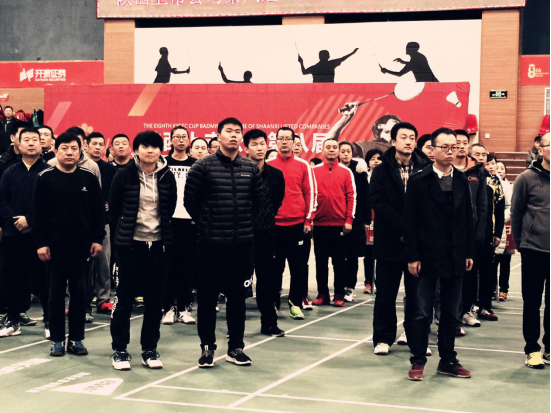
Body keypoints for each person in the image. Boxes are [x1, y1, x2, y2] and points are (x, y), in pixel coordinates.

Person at [184, 117, 263, 368]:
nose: (234, 135)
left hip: (242, 246)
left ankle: (236, 348)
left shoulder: (250, 168)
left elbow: (259, 204)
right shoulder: (202, 167)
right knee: (207, 299)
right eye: (228, 131)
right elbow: (190, 202)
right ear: (218, 136)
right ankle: (207, 348)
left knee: (238, 299)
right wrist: (208, 225)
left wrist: (245, 228)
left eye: (238, 131)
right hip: (210, 245)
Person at [404, 128, 474, 381]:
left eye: (454, 147)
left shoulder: (462, 179)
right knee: (422, 312)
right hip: (426, 256)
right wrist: (413, 256)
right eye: (445, 147)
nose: (451, 151)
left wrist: (468, 251)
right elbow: (410, 222)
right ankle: (418, 360)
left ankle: (448, 360)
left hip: (455, 256)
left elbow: (468, 218)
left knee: (450, 314)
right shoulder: (419, 180)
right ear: (432, 150)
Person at [31, 132, 105, 357]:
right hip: (53, 248)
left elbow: (98, 212)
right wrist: (41, 243)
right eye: (65, 148)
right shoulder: (44, 177)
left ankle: (76, 339)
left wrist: (97, 238)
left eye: (74, 148)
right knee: (54, 294)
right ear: (56, 150)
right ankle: (56, 340)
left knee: (79, 293)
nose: (69, 152)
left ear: (80, 151)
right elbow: (37, 214)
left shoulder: (88, 178)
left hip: (82, 248)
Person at [109, 131, 177, 371]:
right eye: (145, 146)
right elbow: (114, 209)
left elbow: (169, 209)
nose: (150, 151)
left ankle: (149, 349)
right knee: (124, 300)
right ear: (136, 150)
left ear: (160, 150)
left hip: (158, 246)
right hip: (130, 246)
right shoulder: (123, 175)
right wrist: (123, 238)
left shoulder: (167, 176)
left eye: (154, 147)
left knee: (155, 301)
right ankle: (120, 350)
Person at [370, 122, 430, 355]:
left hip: (418, 245)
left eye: (412, 137)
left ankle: (417, 340)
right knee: (386, 294)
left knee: (417, 297)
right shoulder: (381, 169)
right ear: (393, 141)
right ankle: (383, 339)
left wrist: (414, 229)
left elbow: (430, 204)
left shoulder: (426, 168)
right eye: (403, 137)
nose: (408, 141)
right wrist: (405, 226)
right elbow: (378, 203)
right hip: (389, 241)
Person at [0, 128, 49, 338]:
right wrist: (15, 220)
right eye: (26, 139)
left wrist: (29, 219)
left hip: (41, 236)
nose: (30, 143)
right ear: (18, 144)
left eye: (34, 140)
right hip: (13, 234)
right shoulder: (9, 171)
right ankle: (12, 320)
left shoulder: (49, 172)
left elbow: (51, 203)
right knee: (12, 277)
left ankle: (50, 320)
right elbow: (2, 200)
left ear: (41, 144)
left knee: (45, 279)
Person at [267, 127, 316, 320]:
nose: (285, 142)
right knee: (274, 267)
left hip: (297, 225)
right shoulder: (268, 165)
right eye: (281, 138)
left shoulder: (303, 165)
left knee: (298, 267)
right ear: (276, 141)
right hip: (274, 226)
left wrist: (308, 219)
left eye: (288, 138)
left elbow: (310, 193)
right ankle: (273, 303)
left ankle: (295, 303)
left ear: (295, 142)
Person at [511, 132, 550, 369]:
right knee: (532, 302)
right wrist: (520, 244)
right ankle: (532, 349)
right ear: (541, 149)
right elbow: (516, 213)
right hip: (533, 249)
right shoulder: (526, 178)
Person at [244, 129, 286, 336]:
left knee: (267, 282)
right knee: (239, 284)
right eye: (254, 144)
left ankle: (269, 323)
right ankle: (236, 326)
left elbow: (276, 202)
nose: (259, 148)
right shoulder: (239, 173)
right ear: (246, 148)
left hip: (267, 235)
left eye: (262, 143)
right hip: (242, 235)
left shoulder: (276, 175)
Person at [311, 139, 356, 307]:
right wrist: (310, 218)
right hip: (319, 224)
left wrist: (349, 219)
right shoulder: (313, 171)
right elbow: (309, 195)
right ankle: (322, 293)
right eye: (328, 147)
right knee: (320, 261)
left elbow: (351, 196)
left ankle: (339, 294)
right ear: (322, 150)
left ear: (338, 151)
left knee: (339, 262)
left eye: (334, 147)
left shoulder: (346, 172)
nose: (331, 150)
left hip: (339, 224)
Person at [162, 126, 197, 326]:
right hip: (168, 221)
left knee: (187, 267)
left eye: (184, 137)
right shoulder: (163, 163)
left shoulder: (196, 164)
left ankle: (184, 308)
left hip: (189, 222)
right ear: (171, 140)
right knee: (168, 267)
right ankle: (168, 309)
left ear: (188, 140)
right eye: (177, 137)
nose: (181, 140)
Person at [453, 131, 488, 329]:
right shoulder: (445, 167)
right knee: (450, 275)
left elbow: (482, 204)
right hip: (448, 232)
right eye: (457, 142)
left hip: (470, 231)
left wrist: (480, 232)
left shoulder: (477, 170)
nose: (460, 146)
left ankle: (466, 311)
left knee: (469, 274)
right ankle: (450, 316)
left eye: (464, 142)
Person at [86, 132, 117, 315]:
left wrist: (109, 204)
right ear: (86, 146)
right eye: (94, 144)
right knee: (82, 265)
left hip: (103, 221)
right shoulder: (79, 167)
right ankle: (81, 300)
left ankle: (103, 299)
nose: (98, 147)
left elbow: (115, 192)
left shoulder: (109, 169)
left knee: (103, 263)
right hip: (82, 222)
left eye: (100, 144)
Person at [475, 149, 505, 321]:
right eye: (477, 155)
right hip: (469, 233)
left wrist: (497, 233)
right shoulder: (468, 176)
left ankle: (485, 306)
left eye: (483, 155)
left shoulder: (494, 181)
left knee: (487, 271)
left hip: (488, 233)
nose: (481, 158)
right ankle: (468, 307)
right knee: (469, 273)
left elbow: (500, 208)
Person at [339, 141, 370, 302]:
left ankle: (350, 288)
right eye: (343, 151)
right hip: (338, 218)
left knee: (352, 255)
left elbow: (365, 196)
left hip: (356, 219)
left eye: (348, 151)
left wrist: (366, 220)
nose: (345, 154)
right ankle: (339, 288)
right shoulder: (335, 169)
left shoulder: (359, 170)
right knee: (339, 255)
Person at [494, 162, 514, 302]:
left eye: (502, 168)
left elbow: (511, 207)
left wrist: (500, 219)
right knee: (493, 262)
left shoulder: (508, 187)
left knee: (505, 262)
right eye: (498, 168)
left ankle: (503, 289)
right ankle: (492, 288)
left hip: (507, 228)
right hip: (494, 228)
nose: (500, 170)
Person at [364, 149, 382, 294]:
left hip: (382, 216)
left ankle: (380, 282)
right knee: (368, 252)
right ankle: (368, 282)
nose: (376, 161)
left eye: (378, 158)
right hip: (368, 217)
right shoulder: (363, 177)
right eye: (372, 158)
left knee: (381, 252)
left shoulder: (386, 176)